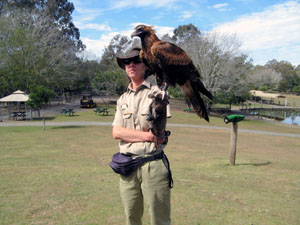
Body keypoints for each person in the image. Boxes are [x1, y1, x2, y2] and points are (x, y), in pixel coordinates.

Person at [112, 37, 172, 225]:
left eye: (136, 60)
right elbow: (116, 132)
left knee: (159, 220)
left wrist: (155, 134)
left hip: (152, 165)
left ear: (145, 65)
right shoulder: (122, 99)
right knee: (131, 218)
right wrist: (146, 136)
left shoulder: (157, 93)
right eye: (127, 62)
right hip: (128, 166)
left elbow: (159, 134)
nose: (131, 65)